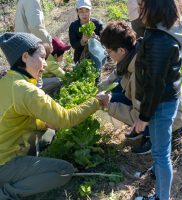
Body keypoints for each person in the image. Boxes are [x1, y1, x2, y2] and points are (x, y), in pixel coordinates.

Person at [0, 32, 110, 199]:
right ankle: (6, 193)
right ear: (25, 57)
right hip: (4, 163)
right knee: (65, 171)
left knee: (50, 133)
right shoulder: (26, 90)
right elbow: (65, 119)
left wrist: (45, 124)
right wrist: (96, 102)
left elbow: (15, 118)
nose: (45, 64)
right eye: (42, 57)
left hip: (7, 147)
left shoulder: (7, 81)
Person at [99, 21, 182, 156]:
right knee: (115, 91)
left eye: (109, 51)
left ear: (121, 50)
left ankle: (151, 138)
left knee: (114, 102)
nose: (108, 54)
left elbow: (138, 115)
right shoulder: (134, 52)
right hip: (153, 104)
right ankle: (142, 132)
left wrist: (109, 106)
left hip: (173, 116)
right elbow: (117, 74)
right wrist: (101, 88)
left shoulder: (140, 74)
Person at [131, 0, 182, 199]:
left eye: (142, 5)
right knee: (161, 147)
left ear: (154, 8)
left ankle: (161, 197)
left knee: (161, 154)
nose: (140, 10)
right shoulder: (164, 31)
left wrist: (144, 116)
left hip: (160, 104)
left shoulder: (159, 40)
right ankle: (157, 171)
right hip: (166, 100)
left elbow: (154, 84)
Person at [69, 0, 104, 66]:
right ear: (77, 12)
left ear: (91, 11)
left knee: (95, 75)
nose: (84, 14)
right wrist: (82, 41)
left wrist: (95, 38)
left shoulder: (98, 24)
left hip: (96, 57)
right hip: (79, 58)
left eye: (87, 10)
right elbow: (74, 45)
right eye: (81, 11)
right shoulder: (73, 26)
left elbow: (104, 43)